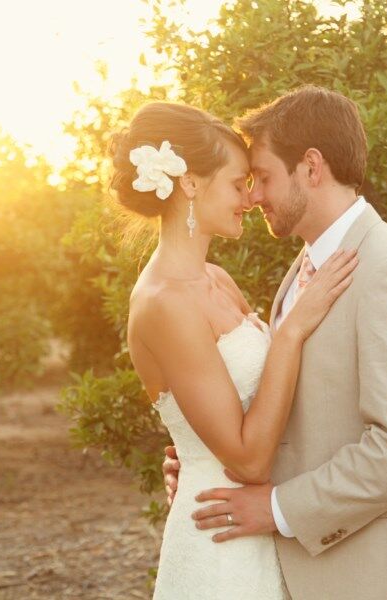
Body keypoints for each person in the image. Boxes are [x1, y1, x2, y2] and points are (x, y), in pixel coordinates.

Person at [164, 85, 387, 599]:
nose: (253, 195)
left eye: (262, 177)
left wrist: (278, 507)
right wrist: (205, 459)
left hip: (374, 575)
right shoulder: (307, 266)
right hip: (306, 572)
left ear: (312, 167)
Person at [115, 100, 357, 599]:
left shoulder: (216, 279)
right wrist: (291, 332)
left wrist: (192, 453)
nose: (249, 199)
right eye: (237, 182)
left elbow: (255, 406)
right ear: (189, 184)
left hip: (260, 530)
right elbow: (246, 461)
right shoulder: (164, 302)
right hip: (221, 545)